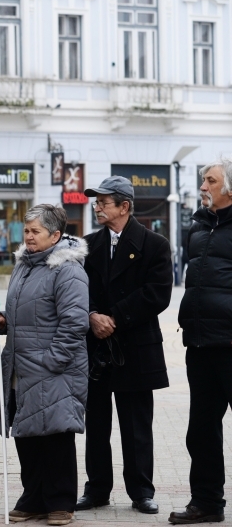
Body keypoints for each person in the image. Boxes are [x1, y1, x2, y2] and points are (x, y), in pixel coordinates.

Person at [76, 176, 172, 515]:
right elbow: (76, 290)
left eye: (103, 201)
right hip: (96, 349)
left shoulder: (154, 244)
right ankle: (97, 490)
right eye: (95, 201)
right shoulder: (86, 245)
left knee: (136, 426)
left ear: (124, 206)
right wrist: (90, 315)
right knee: (97, 425)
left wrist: (113, 317)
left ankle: (141, 491)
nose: (97, 206)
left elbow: (157, 293)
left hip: (135, 347)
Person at [0, 204, 89, 526]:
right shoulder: (24, 264)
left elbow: (75, 323)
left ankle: (61, 502)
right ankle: (33, 497)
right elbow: (25, 311)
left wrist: (51, 362)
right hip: (22, 366)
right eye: (27, 230)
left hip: (52, 369)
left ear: (56, 236)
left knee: (56, 435)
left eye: (35, 231)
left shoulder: (68, 269)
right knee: (27, 434)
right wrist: (5, 321)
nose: (28, 237)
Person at [169, 160, 232, 525]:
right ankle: (207, 503)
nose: (204, 185)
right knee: (202, 429)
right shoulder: (198, 225)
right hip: (200, 343)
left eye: (211, 180)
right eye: (203, 180)